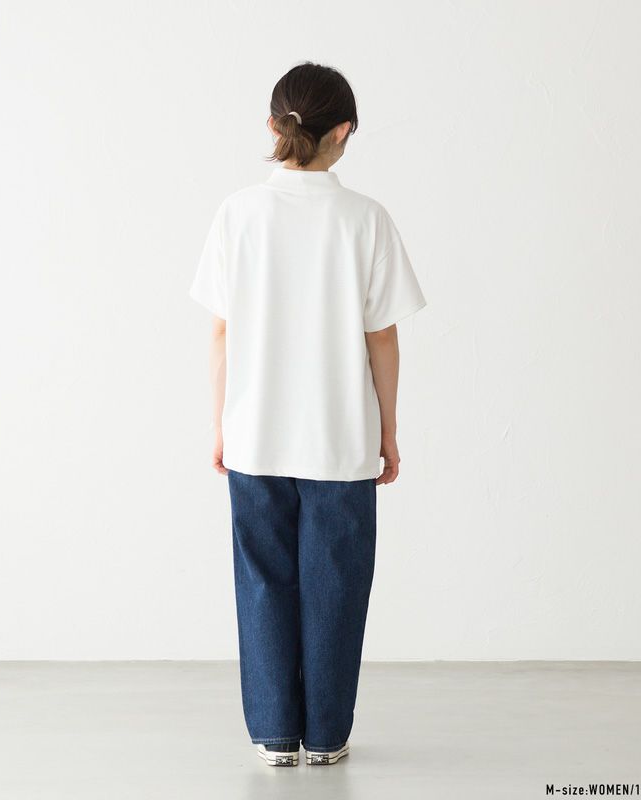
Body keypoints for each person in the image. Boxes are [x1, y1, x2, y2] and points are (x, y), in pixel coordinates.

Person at [188, 62, 427, 767]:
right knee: (337, 588)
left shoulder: (237, 214)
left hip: (255, 435)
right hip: (341, 439)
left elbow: (221, 332)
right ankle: (326, 738)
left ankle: (273, 736)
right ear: (344, 131)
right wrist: (388, 429)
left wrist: (220, 424)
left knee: (263, 584)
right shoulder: (366, 220)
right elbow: (383, 338)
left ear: (272, 125)